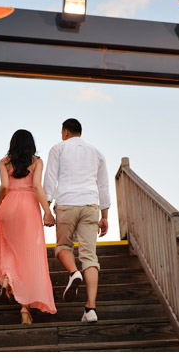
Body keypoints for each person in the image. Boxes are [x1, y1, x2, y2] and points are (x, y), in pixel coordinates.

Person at [44, 118, 110, 322]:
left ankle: (74, 273)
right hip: (91, 205)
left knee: (63, 246)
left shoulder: (58, 149)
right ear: (80, 132)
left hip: (67, 204)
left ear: (65, 132)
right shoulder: (97, 152)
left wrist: (47, 208)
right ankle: (90, 309)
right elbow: (104, 185)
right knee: (90, 257)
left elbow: (50, 178)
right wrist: (105, 216)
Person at [0, 129, 57, 324]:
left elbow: (4, 186)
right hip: (28, 208)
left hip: (9, 205)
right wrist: (47, 211)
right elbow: (37, 187)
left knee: (10, 247)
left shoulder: (4, 162)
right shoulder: (36, 162)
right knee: (29, 255)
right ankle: (25, 309)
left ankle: (7, 278)